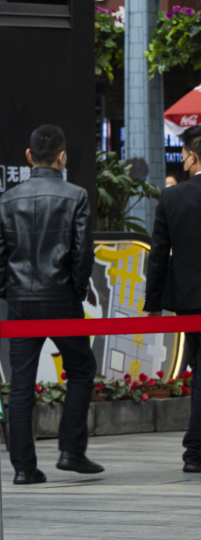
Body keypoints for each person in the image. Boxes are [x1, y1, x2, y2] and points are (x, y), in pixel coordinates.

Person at [0, 125, 103, 484]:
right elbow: (82, 253)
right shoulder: (76, 195)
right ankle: (71, 451)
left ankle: (24, 468)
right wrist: (77, 289)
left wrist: (7, 290)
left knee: (21, 383)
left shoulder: (7, 199)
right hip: (61, 298)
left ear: (29, 157)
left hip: (20, 301)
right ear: (63, 157)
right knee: (81, 369)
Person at [144, 124, 201, 473]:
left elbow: (158, 255)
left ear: (192, 156)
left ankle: (195, 450)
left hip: (190, 300)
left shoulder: (172, 197)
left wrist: (152, 304)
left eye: (183, 154)